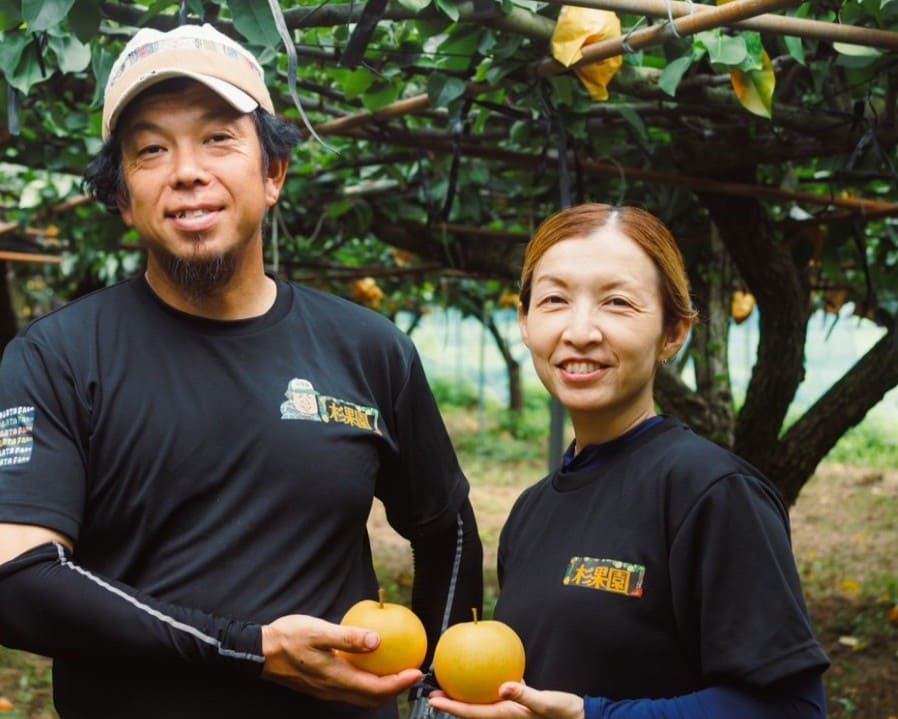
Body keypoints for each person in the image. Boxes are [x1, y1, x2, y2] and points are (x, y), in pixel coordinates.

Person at [0, 23, 482, 719]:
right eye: (151, 150)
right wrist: (252, 649)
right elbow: (17, 580)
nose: (187, 169)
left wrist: (437, 692)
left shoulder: (368, 348)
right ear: (123, 198)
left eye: (219, 137)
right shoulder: (57, 359)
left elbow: (449, 528)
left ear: (273, 173)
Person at [428, 204, 830, 719]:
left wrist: (591, 715)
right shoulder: (531, 511)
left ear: (674, 331)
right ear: (525, 322)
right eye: (554, 300)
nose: (580, 331)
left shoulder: (711, 491)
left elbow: (791, 708)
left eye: (617, 303)